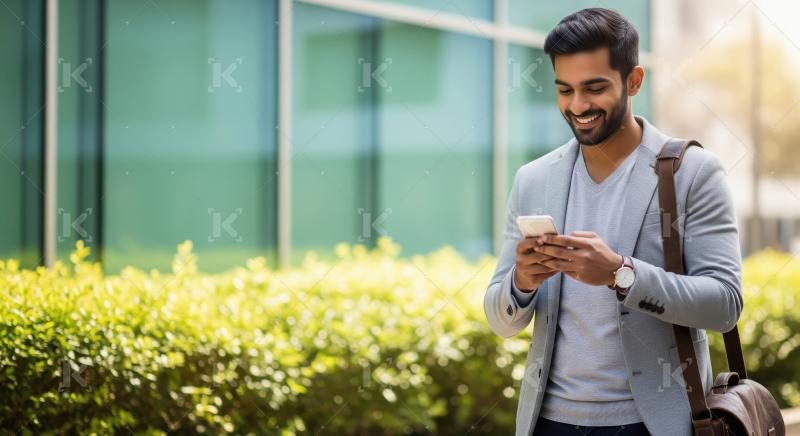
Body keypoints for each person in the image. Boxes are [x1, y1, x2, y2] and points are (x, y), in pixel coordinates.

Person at [483, 8, 743, 436]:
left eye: (594, 88)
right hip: (549, 424)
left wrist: (621, 274)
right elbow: (500, 319)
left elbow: (724, 305)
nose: (578, 105)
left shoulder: (693, 173)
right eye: (564, 90)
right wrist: (522, 283)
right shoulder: (532, 179)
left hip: (654, 423)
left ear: (635, 81)